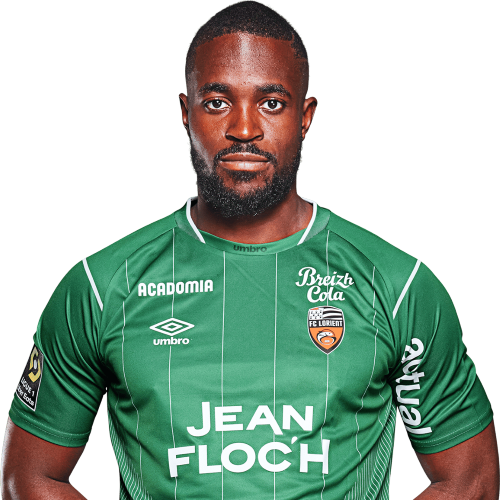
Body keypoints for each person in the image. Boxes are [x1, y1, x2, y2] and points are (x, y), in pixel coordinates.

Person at [2, 1, 499, 498]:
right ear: (185, 114)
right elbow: (29, 477)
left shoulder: (398, 285)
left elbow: (470, 479)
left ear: (305, 118)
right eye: (218, 102)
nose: (244, 130)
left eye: (271, 103)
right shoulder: (100, 286)